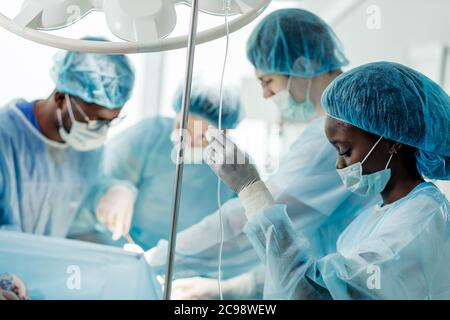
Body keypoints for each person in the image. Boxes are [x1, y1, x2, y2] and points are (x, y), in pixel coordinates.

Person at [145, 9, 378, 299]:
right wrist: (236, 287)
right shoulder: (331, 128)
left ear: (304, 65)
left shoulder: (329, 139)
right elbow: (304, 243)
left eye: (268, 81)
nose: (266, 95)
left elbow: (247, 226)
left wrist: (156, 259)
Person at [207, 61, 450, 299]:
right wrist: (238, 287)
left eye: (345, 151)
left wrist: (251, 190)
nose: (339, 165)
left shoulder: (420, 219)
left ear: (392, 142)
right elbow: (319, 268)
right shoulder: (378, 215)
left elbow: (313, 292)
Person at [0, 36, 135, 237]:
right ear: (61, 98)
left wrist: (113, 192)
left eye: (109, 122)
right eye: (96, 120)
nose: (101, 131)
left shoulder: (87, 149)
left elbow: (83, 206)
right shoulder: (6, 139)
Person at [92, 79, 239, 248]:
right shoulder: (149, 136)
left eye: (202, 137)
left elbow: (240, 224)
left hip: (190, 264)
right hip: (126, 247)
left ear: (225, 134)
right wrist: (117, 191)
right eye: (182, 128)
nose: (187, 142)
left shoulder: (236, 167)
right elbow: (103, 177)